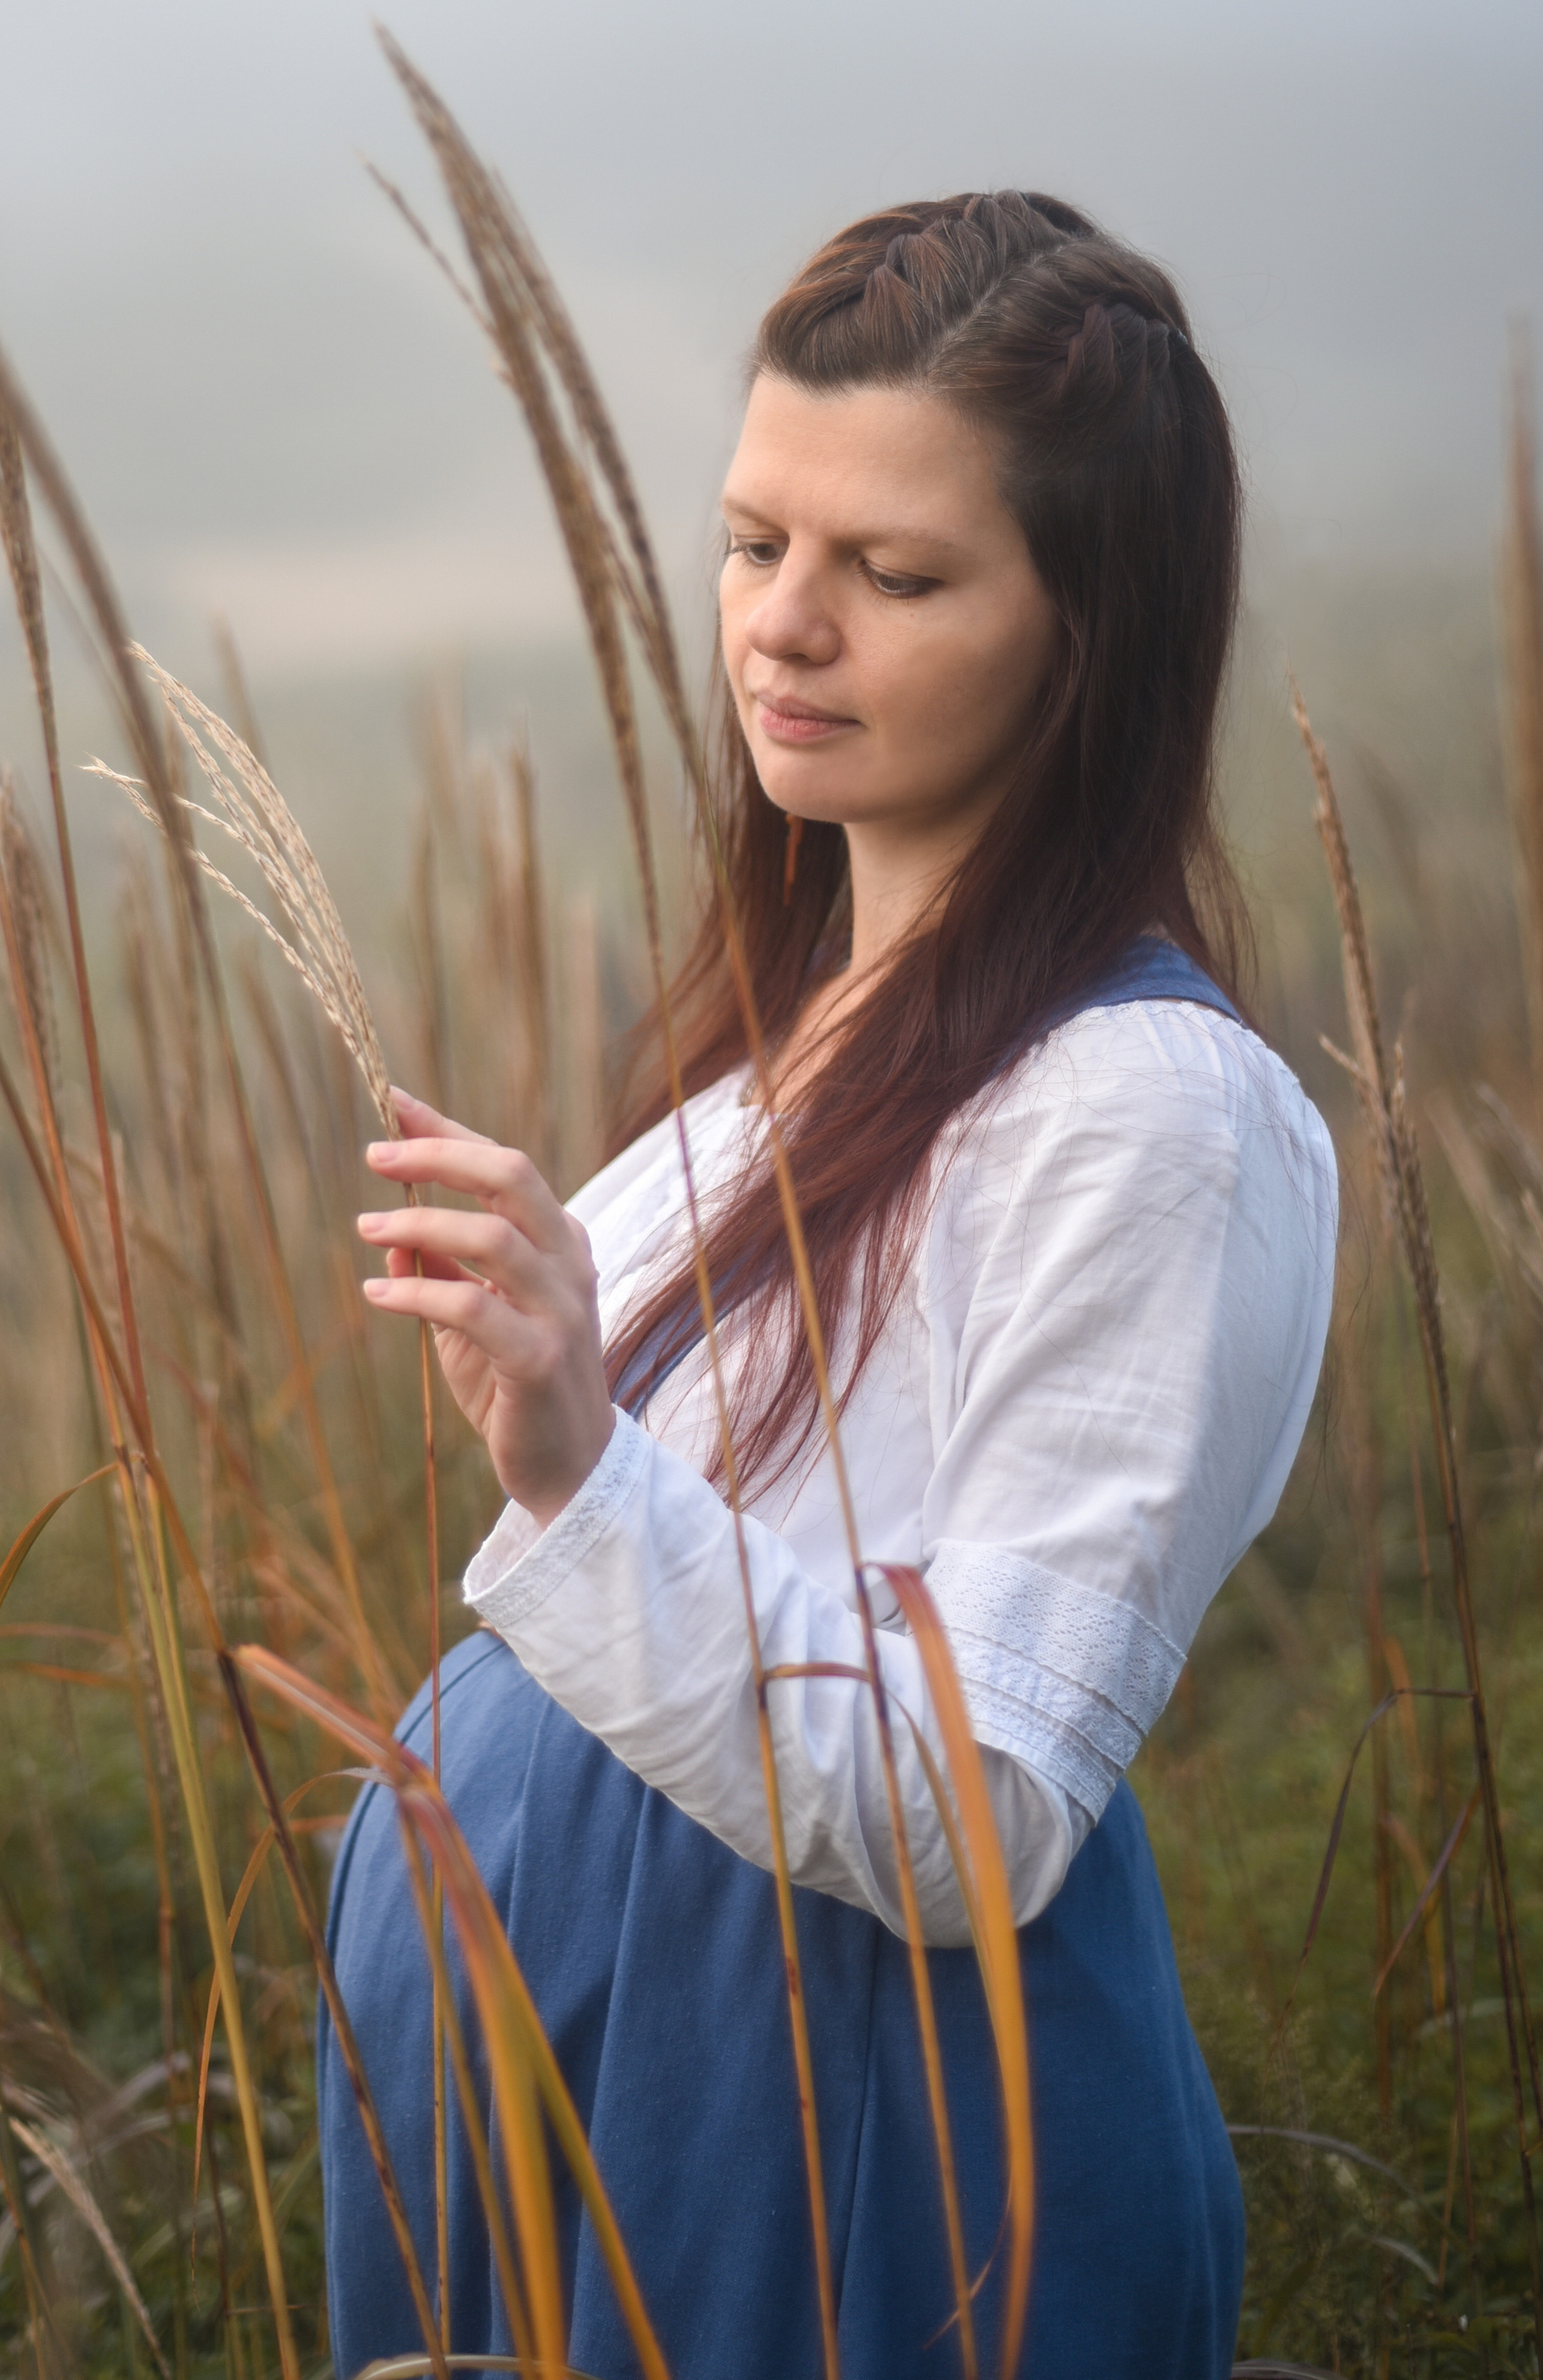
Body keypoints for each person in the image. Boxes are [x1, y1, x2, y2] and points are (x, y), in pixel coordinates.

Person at [319, 190, 1338, 2379]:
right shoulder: (810, 1034)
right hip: (629, 2088)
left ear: (1093, 634)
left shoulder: (1147, 1113)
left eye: (896, 573)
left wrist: (583, 1461)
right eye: (756, 538)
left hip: (838, 2141)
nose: (785, 625)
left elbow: (980, 1805)